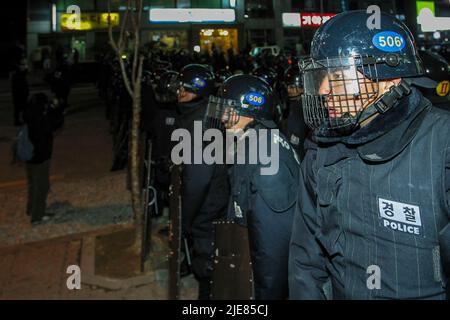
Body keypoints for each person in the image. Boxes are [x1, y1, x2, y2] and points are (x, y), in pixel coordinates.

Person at [289, 10, 450, 300]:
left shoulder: (441, 144)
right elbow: (306, 260)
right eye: (323, 76)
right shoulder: (321, 150)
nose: (324, 90)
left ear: (389, 78)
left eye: (337, 75)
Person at [204, 74, 300, 299]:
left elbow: (273, 252)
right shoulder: (254, 142)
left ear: (250, 110)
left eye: (228, 110)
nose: (223, 118)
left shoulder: (267, 162)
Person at [176, 64, 230, 299]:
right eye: (180, 87)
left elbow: (198, 178)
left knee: (207, 260)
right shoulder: (205, 110)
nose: (180, 92)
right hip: (215, 194)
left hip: (207, 202)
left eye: (186, 88)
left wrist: (185, 218)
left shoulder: (199, 123)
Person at [23, 93, 64, 225]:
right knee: (42, 186)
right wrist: (55, 109)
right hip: (41, 156)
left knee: (33, 184)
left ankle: (31, 208)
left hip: (29, 155)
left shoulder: (29, 114)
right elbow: (55, 124)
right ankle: (37, 216)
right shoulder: (41, 118)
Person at [282, 65, 309, 160]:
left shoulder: (306, 107)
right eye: (287, 86)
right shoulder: (293, 103)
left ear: (303, 86)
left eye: (292, 86)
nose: (288, 90)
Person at [10, 59, 29, 126]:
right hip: (20, 93)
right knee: (21, 107)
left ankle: (19, 120)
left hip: (18, 93)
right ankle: (19, 120)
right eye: (21, 65)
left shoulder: (15, 74)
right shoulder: (18, 74)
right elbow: (25, 71)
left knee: (19, 108)